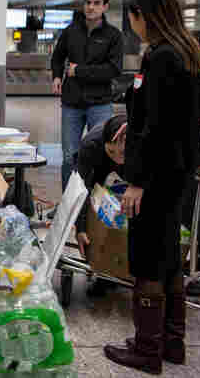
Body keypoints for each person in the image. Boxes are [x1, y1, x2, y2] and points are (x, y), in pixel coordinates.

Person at [104, 0, 200, 374]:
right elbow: (178, 120)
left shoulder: (161, 58)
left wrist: (137, 181)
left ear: (143, 15)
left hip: (158, 173)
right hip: (179, 169)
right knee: (167, 257)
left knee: (147, 258)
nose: (133, 26)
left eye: (132, 18)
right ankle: (172, 343)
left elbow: (157, 127)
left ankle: (147, 350)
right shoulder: (188, 52)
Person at [51, 0, 123, 193]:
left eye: (97, 3)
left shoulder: (114, 36)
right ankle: (67, 205)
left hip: (100, 104)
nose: (91, 7)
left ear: (105, 6)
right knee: (69, 155)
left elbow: (113, 69)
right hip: (72, 103)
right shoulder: (70, 31)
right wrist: (57, 75)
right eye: (88, 3)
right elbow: (57, 57)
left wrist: (79, 71)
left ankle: (94, 205)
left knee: (102, 154)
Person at [73, 114, 126, 297]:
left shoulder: (141, 142)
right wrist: (79, 228)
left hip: (130, 174)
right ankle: (102, 272)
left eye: (123, 153)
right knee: (98, 215)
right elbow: (80, 189)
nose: (118, 158)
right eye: (113, 152)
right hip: (98, 171)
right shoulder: (91, 146)